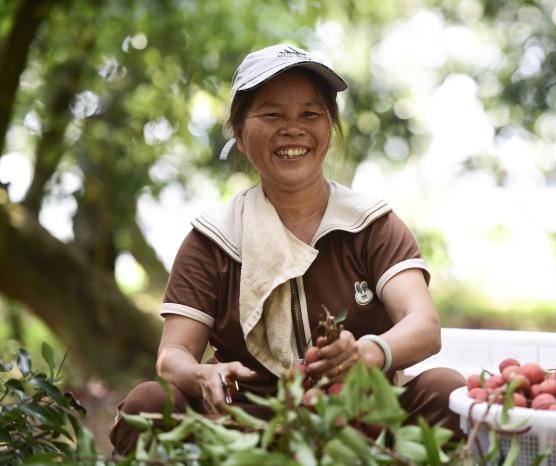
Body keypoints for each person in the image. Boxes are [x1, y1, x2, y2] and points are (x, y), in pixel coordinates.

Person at [109, 44, 465, 454]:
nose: (293, 128)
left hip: (359, 423)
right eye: (272, 114)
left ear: (329, 129)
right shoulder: (213, 239)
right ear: (240, 135)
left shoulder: (371, 224)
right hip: (243, 430)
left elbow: (423, 326)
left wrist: (367, 353)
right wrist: (200, 377)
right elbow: (172, 354)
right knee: (148, 405)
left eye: (310, 114)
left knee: (446, 391)